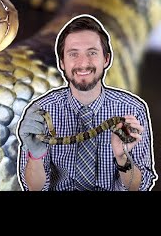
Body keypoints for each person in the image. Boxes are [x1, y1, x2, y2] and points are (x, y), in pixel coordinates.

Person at [17, 15, 157, 191]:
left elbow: (139, 187)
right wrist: (35, 155)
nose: (83, 63)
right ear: (62, 62)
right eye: (73, 54)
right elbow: (35, 188)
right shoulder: (41, 110)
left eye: (92, 53)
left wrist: (122, 157)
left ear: (106, 59)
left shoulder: (132, 109)